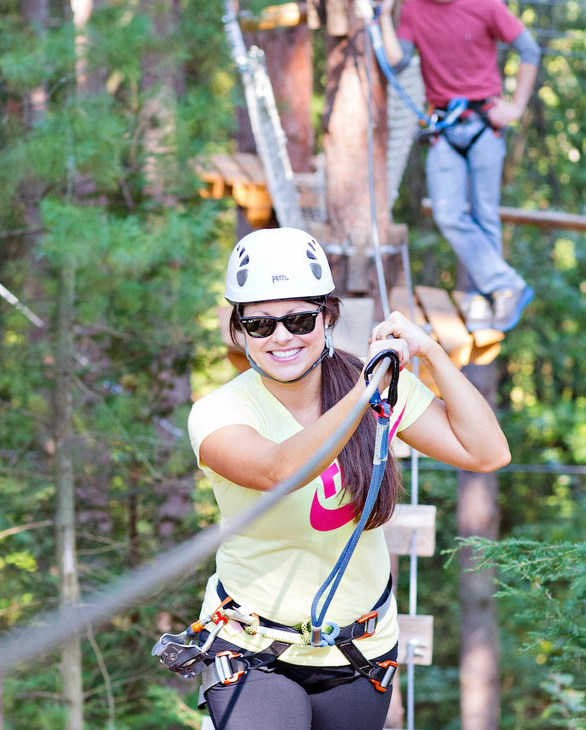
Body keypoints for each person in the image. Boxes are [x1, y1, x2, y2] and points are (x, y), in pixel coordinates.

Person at [182, 227, 510, 730]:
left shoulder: (373, 387)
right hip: (251, 649)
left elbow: (486, 453)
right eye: (260, 324)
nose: (282, 337)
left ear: (327, 316)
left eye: (298, 318)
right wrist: (364, 395)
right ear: (239, 330)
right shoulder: (220, 411)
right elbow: (279, 470)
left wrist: (431, 354)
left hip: (359, 653)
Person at [375, 0, 541, 332]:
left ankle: (490, 298)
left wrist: (516, 105)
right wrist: (382, 14)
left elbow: (529, 49)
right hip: (445, 126)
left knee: (485, 216)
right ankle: (506, 284)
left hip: (484, 122)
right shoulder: (414, 10)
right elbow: (397, 62)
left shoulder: (483, 5)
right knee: (449, 213)